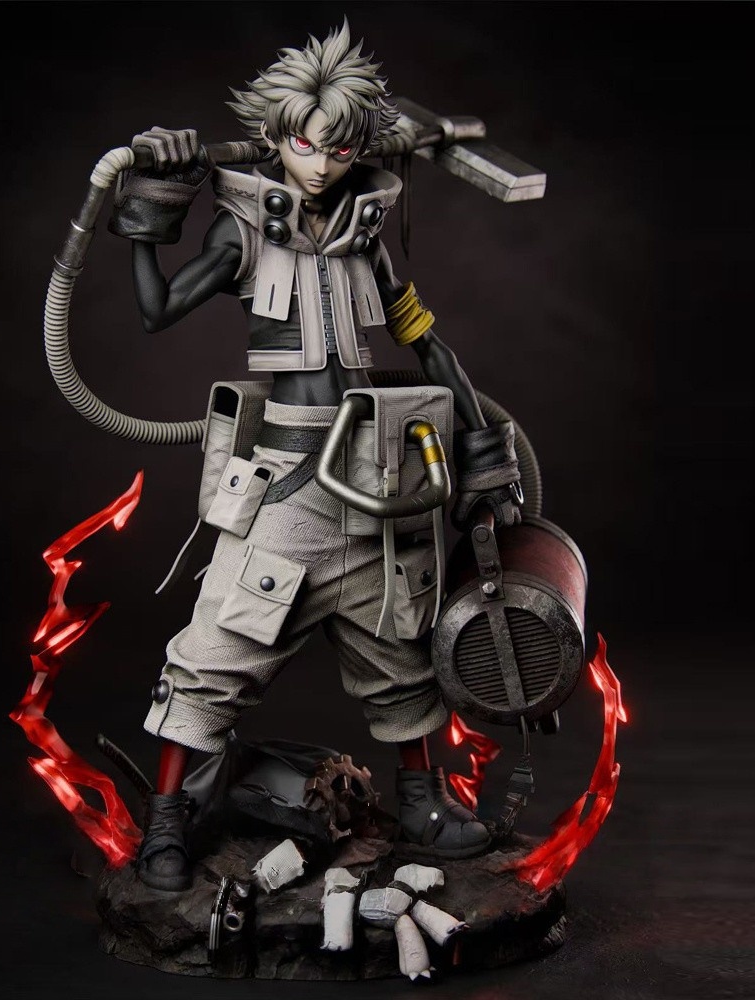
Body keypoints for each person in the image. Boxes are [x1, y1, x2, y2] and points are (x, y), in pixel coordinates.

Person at [108, 20, 523, 891]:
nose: (323, 164)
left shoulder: (367, 239)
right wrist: (153, 205)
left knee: (403, 656)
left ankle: (422, 806)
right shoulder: (245, 233)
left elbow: (427, 343)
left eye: (339, 147)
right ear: (276, 137)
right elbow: (156, 309)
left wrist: (486, 450)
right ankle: (167, 822)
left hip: (378, 486)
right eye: (305, 143)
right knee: (212, 660)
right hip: (289, 488)